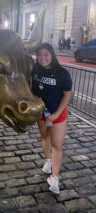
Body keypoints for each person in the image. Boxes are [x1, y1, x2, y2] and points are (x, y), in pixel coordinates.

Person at [31, 43, 72, 194]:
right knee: (44, 135)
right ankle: (47, 160)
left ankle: (54, 178)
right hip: (41, 112)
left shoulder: (62, 73)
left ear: (52, 55)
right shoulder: (34, 70)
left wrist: (55, 115)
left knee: (57, 144)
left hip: (57, 113)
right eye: (39, 55)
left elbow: (67, 95)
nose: (43, 58)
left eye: (46, 54)